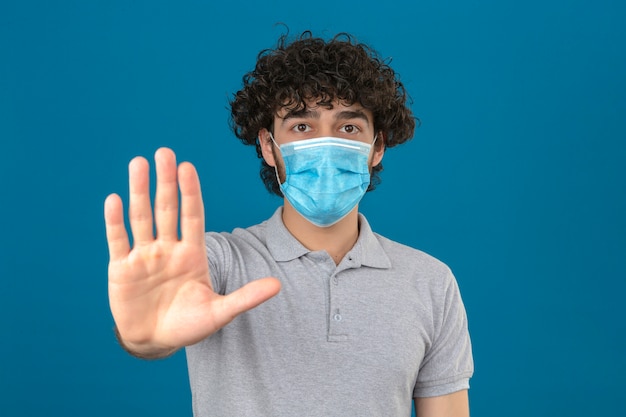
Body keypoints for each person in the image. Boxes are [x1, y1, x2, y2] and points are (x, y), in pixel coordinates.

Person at [105, 31, 473, 417]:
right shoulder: (215, 262)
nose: (326, 144)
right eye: (302, 127)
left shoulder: (431, 282)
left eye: (349, 128)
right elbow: (160, 322)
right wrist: (143, 336)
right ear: (268, 146)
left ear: (377, 147)